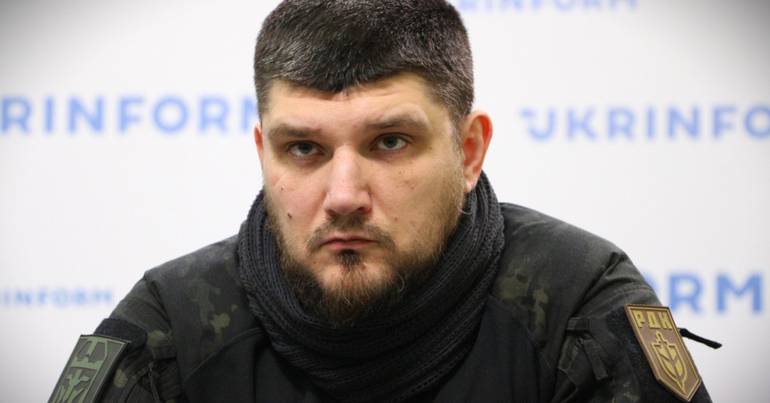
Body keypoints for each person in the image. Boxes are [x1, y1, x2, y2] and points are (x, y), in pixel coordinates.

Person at [50, 1, 715, 402]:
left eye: (390, 141)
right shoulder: (171, 327)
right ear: (263, 152)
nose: (344, 196)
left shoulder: (578, 303)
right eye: (304, 148)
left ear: (469, 151)